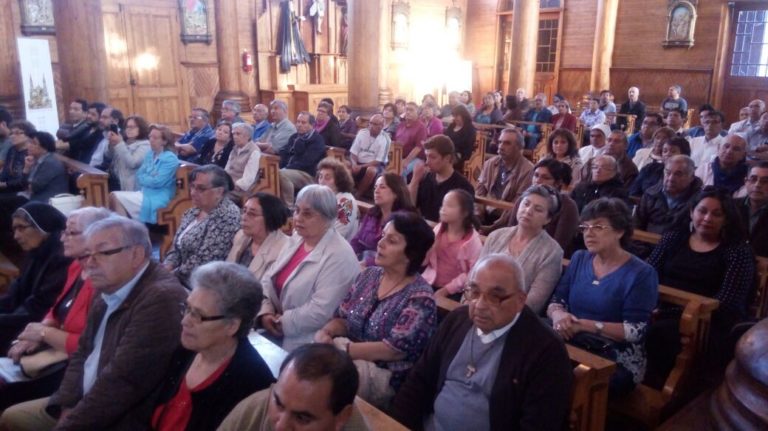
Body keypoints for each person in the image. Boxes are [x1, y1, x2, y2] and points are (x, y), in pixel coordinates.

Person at [0, 216, 188, 430]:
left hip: (122, 415)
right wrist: (66, 405)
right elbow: (82, 354)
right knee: (13, 417)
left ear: (136, 255)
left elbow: (123, 383)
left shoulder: (160, 298)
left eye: (103, 252)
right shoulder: (108, 284)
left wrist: (70, 423)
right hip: (85, 397)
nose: (90, 263)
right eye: (88, 254)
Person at [392, 254, 573, 431]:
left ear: (520, 300)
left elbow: (538, 424)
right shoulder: (457, 320)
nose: (479, 305)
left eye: (495, 297)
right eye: (474, 292)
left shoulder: (546, 351)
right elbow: (418, 383)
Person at [315, 212, 436, 407]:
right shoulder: (369, 275)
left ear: (411, 253)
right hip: (346, 361)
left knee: (320, 387)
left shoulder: (420, 298)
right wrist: (326, 332)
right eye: (382, 236)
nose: (380, 243)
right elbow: (343, 318)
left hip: (384, 377)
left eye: (392, 241)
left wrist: (343, 350)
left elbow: (393, 350)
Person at [0, 208, 109, 410]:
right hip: (53, 350)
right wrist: (40, 329)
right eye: (64, 232)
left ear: (96, 234)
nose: (62, 238)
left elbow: (92, 344)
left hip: (74, 367)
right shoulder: (77, 266)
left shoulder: (104, 281)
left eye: (71, 233)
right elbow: (55, 307)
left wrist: (42, 332)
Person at [548, 198, 658, 396]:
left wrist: (583, 324)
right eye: (585, 227)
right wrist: (559, 317)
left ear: (620, 231)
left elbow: (635, 331)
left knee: (557, 378)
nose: (588, 233)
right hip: (572, 339)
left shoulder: (641, 273)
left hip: (615, 356)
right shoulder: (580, 258)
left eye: (598, 227)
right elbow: (557, 301)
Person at [150, 262, 275, 431]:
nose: (185, 321)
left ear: (232, 325)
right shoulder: (185, 350)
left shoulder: (252, 384)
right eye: (187, 308)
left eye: (198, 315)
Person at [647, 187, 756, 380]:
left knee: (659, 333)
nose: (707, 219)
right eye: (702, 211)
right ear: (691, 212)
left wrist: (666, 313)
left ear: (726, 219)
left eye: (717, 214)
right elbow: (648, 274)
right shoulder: (673, 238)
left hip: (706, 322)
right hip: (659, 308)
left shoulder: (737, 251)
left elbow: (727, 303)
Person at [258, 185, 360, 351]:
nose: (297, 218)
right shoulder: (297, 238)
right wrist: (266, 312)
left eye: (307, 213)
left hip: (308, 342)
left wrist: (281, 322)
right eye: (296, 210)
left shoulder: (339, 255)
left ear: (327, 217)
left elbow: (320, 311)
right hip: (275, 326)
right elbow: (268, 277)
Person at [218, 344, 368, 431]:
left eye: (302, 418)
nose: (280, 426)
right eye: (278, 404)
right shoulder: (254, 409)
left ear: (342, 416)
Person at [480, 185, 564, 314]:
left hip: (513, 318)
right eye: (526, 204)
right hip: (478, 306)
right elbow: (475, 276)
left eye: (538, 209)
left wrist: (495, 312)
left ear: (548, 219)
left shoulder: (552, 252)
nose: (528, 211)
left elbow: (535, 302)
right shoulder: (496, 236)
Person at [0, 203, 70, 354]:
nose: (16, 236)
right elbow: (14, 297)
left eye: (22, 227)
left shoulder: (62, 258)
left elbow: (39, 308)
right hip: (25, 322)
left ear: (43, 227)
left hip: (42, 328)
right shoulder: (36, 254)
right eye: (14, 229)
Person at [163, 165, 241, 286]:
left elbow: (205, 260)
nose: (193, 193)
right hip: (177, 277)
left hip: (202, 284)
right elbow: (176, 247)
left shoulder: (227, 216)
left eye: (201, 189)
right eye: (192, 187)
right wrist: (166, 267)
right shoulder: (193, 211)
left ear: (219, 192)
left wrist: (169, 276)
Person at [109, 125, 179, 224]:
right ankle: (127, 231)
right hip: (144, 192)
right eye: (150, 137)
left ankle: (125, 233)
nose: (151, 140)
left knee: (116, 197)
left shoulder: (170, 158)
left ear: (164, 141)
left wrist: (146, 178)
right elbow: (139, 174)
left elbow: (157, 182)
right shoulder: (150, 154)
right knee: (113, 196)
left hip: (158, 196)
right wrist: (148, 178)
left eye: (155, 138)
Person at [422, 189, 483, 299]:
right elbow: (427, 260)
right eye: (443, 205)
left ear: (464, 213)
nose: (443, 209)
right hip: (429, 280)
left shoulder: (472, 241)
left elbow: (471, 273)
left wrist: (446, 290)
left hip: (455, 291)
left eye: (449, 205)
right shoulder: (438, 230)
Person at [351, 173, 415, 266]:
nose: (376, 191)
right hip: (362, 260)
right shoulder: (372, 213)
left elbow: (396, 255)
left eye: (382, 187)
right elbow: (357, 240)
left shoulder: (404, 220)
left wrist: (366, 263)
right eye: (375, 187)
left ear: (396, 193)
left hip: (387, 267)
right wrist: (349, 254)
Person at [408, 135, 474, 222]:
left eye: (432, 157)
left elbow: (460, 225)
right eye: (426, 156)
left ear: (447, 158)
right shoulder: (425, 178)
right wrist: (415, 180)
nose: (427, 162)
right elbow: (410, 208)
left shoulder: (462, 186)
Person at [227, 192, 291, 281]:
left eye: (252, 214)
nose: (244, 218)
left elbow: (268, 289)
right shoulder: (241, 236)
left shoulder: (283, 248)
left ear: (270, 218)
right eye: (244, 211)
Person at [635, 154, 702, 235]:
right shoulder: (650, 194)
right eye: (668, 173)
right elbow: (636, 226)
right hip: (645, 244)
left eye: (678, 174)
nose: (671, 179)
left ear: (691, 177)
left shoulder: (699, 200)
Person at [475, 128, 534, 217]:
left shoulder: (528, 170)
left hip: (509, 215)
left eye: (507, 143)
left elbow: (518, 202)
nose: (501, 147)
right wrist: (479, 214)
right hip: (486, 209)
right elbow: (480, 192)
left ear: (519, 147)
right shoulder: (490, 163)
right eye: (500, 142)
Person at [278, 112, 326, 205]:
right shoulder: (294, 137)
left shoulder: (317, 139)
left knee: (282, 174)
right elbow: (285, 153)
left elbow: (307, 161)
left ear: (311, 125)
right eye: (298, 122)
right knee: (271, 173)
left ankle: (289, 207)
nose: (299, 125)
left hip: (308, 174)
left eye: (303, 123)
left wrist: (287, 167)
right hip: (292, 170)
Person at [316, 158, 359, 240]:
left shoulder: (347, 202)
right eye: (320, 177)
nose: (322, 181)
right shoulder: (324, 197)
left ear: (339, 180)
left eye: (327, 178)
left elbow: (338, 234)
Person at [105, 115, 151, 191]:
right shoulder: (124, 142)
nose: (129, 129)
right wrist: (112, 144)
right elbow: (108, 156)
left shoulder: (145, 145)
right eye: (127, 127)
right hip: (115, 178)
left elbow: (132, 163)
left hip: (130, 185)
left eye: (132, 127)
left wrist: (119, 143)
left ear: (141, 128)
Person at [348, 114, 389, 199]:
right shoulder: (362, 133)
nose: (370, 126)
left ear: (381, 126)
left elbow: (379, 160)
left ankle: (358, 194)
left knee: (371, 170)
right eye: (370, 123)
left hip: (375, 164)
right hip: (358, 162)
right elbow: (353, 152)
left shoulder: (385, 138)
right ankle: (346, 191)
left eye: (374, 124)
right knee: (344, 165)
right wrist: (354, 163)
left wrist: (360, 166)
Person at [736, 162, 768, 257]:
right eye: (753, 179)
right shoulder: (731, 206)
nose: (757, 185)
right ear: (746, 182)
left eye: (765, 181)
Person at [224, 122, 262, 193]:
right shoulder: (234, 149)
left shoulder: (254, 152)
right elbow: (227, 169)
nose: (234, 137)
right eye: (233, 134)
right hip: (226, 184)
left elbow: (248, 179)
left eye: (238, 134)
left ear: (248, 136)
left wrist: (231, 186)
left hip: (238, 189)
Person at [397, 102, 428, 179]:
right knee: (387, 169)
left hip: (416, 158)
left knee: (400, 171)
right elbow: (395, 144)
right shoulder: (400, 125)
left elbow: (418, 148)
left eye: (411, 110)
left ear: (417, 112)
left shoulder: (421, 127)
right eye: (407, 109)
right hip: (400, 156)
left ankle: (402, 191)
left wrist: (406, 161)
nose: (408, 112)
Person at [444, 104, 476, 172]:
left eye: (457, 116)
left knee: (442, 160)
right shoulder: (452, 126)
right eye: (454, 116)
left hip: (461, 155)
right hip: (447, 152)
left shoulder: (470, 129)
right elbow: (444, 138)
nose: (455, 118)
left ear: (463, 116)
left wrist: (454, 151)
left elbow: (468, 148)